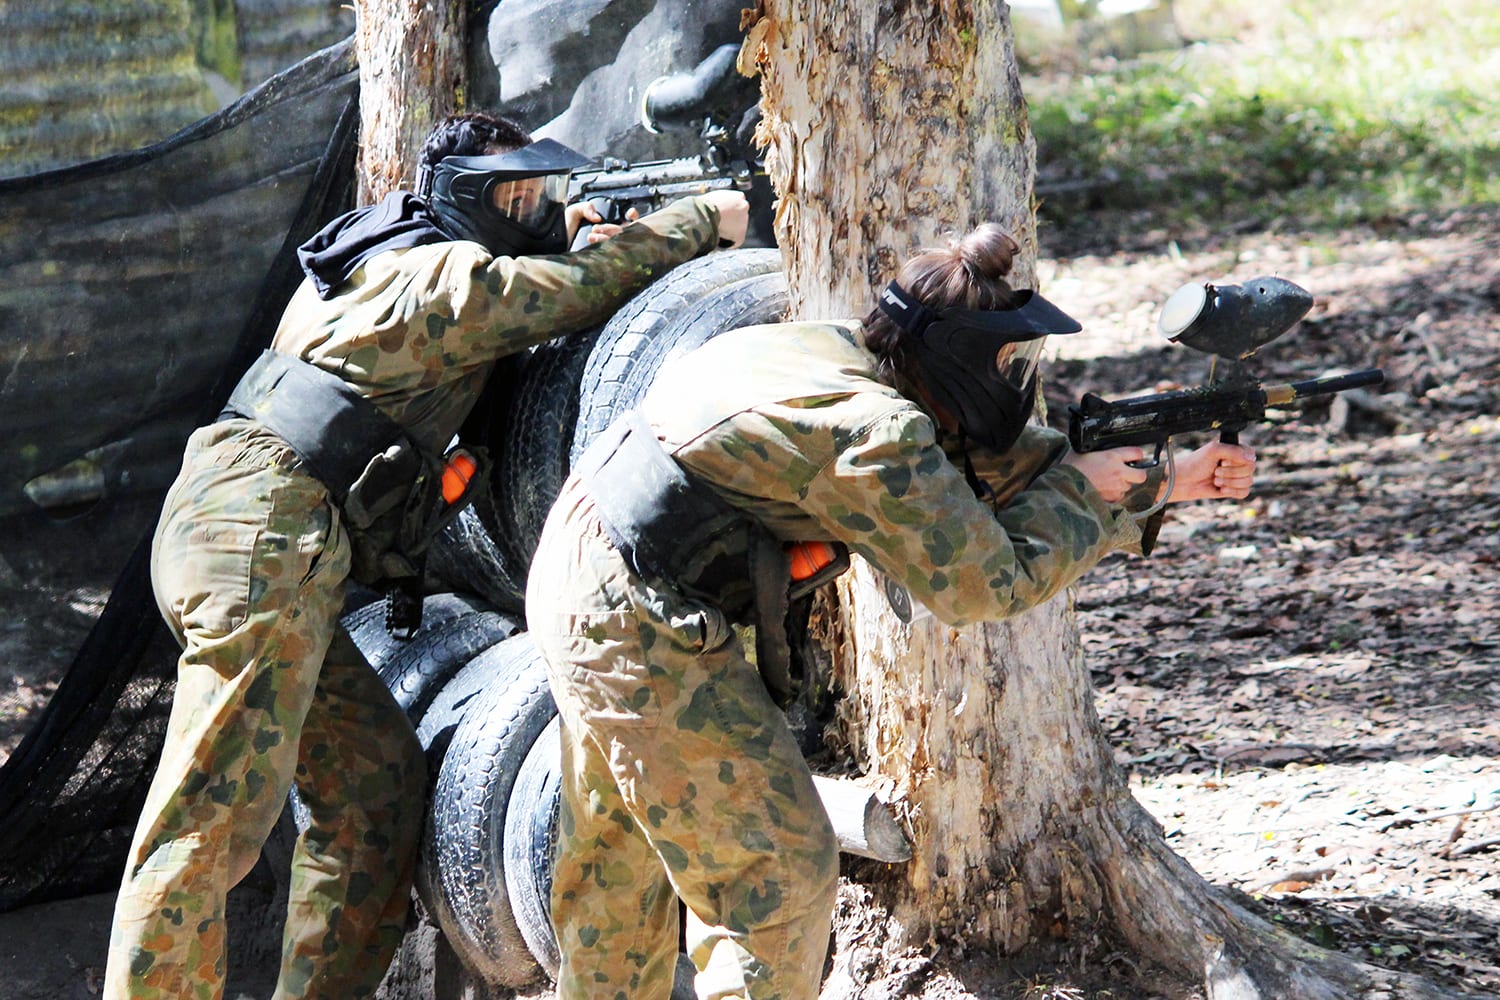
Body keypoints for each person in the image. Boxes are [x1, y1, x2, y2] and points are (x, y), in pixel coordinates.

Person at [103, 109, 749, 1000]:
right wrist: (700, 222)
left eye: (537, 192)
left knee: (374, 796)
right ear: (463, 199)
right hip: (261, 542)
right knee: (206, 823)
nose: (531, 208)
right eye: (512, 194)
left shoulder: (381, 254)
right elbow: (555, 294)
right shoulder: (435, 273)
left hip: (246, 532)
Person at [525, 223, 1255, 1000]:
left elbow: (960, 462)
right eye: (1008, 363)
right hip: (633, 613)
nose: (1018, 379)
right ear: (959, 360)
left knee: (619, 860)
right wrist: (1087, 489)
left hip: (582, 562)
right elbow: (982, 583)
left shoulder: (845, 352)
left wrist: (1161, 474)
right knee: (775, 871)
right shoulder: (875, 430)